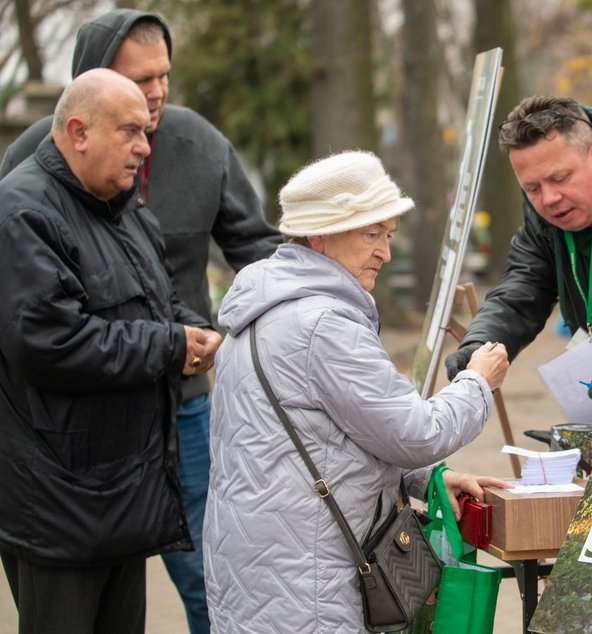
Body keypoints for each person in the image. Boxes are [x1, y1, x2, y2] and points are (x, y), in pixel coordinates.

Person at [0, 11, 283, 631]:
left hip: (157, 426)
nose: (153, 107)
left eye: (163, 78)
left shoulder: (158, 175)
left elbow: (226, 263)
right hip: (63, 463)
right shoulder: (26, 195)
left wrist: (215, 328)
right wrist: (170, 343)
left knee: (208, 573)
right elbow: (44, 333)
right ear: (76, 129)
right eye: (136, 88)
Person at [203, 150, 510, 632]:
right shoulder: (323, 323)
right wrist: (477, 381)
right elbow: (416, 433)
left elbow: (328, 436)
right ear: (321, 234)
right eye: (372, 234)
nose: (385, 252)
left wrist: (421, 477)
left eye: (387, 235)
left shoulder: (261, 309)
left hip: (261, 570)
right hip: (311, 583)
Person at [443, 95, 592, 410]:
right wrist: (479, 344)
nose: (549, 199)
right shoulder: (545, 211)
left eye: (560, 178)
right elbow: (523, 286)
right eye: (532, 188)